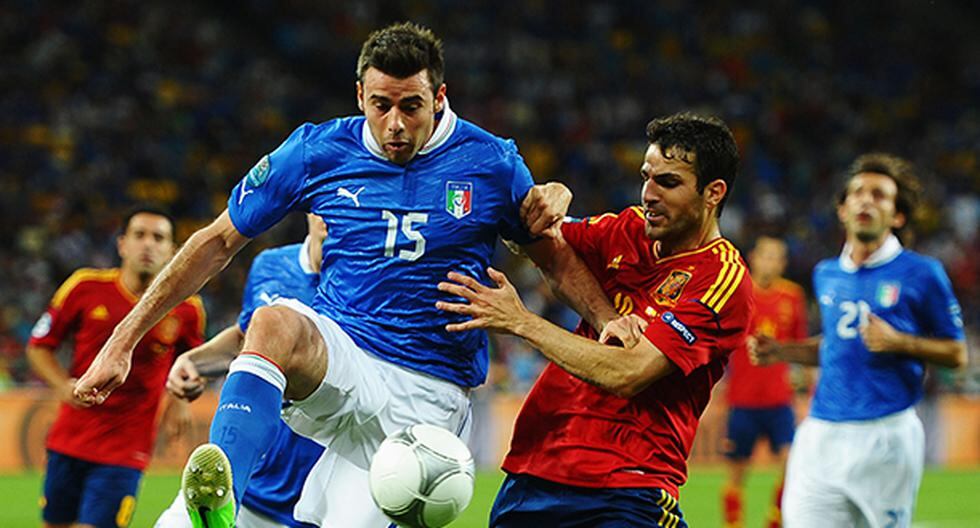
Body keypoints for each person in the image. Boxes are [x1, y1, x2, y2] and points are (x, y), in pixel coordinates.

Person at [73, 22, 620, 528]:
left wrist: (604, 317)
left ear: (440, 98)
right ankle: (222, 501)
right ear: (360, 96)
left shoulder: (491, 163)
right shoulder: (317, 151)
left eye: (412, 106)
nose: (395, 124)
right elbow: (216, 241)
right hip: (346, 358)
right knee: (274, 321)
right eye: (381, 105)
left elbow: (553, 256)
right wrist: (123, 340)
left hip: (427, 395)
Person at [437, 113, 752, 527]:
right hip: (536, 469)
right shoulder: (626, 230)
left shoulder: (721, 279)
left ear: (714, 193)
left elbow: (630, 372)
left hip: (627, 485)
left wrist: (522, 322)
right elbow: (538, 238)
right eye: (646, 177)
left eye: (668, 183)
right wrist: (552, 195)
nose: (649, 194)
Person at [751, 153, 968, 527]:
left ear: (897, 216)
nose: (867, 200)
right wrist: (782, 351)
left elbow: (956, 353)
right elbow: (836, 345)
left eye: (880, 195)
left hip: (886, 437)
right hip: (821, 432)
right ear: (842, 208)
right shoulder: (827, 273)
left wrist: (901, 342)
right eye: (858, 192)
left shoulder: (922, 273)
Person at [26, 206, 205, 528]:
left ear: (172, 251)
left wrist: (179, 401)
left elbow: (192, 362)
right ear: (122, 244)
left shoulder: (187, 309)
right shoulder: (84, 287)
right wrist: (62, 386)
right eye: (139, 235)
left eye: (158, 238)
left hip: (125, 450)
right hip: (69, 438)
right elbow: (40, 346)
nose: (148, 244)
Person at [156, 213, 327, 528]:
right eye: (327, 200)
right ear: (311, 207)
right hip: (244, 480)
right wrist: (195, 361)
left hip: (312, 502)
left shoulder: (369, 283)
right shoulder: (270, 265)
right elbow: (246, 338)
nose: (333, 213)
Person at [721, 235, 808, 528]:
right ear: (754, 258)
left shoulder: (792, 297)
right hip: (742, 400)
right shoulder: (738, 293)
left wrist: (805, 382)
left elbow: (801, 342)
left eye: (776, 257)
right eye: (765, 255)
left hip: (778, 398)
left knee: (791, 465)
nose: (770, 262)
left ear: (783, 263)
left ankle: (775, 521)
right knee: (737, 472)